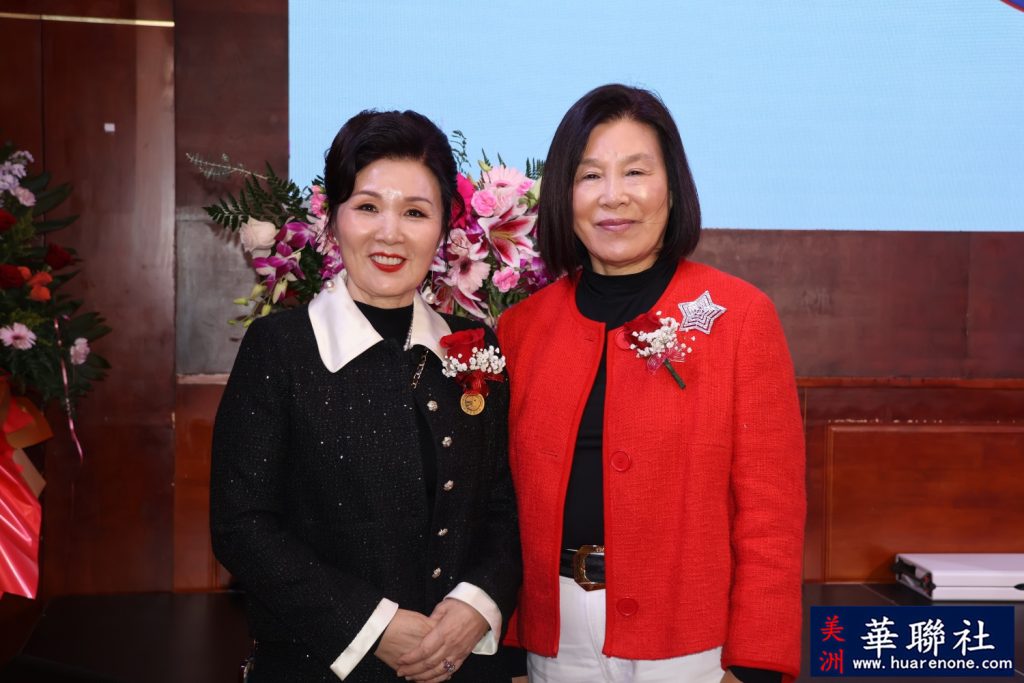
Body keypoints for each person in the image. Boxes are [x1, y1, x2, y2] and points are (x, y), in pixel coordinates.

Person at [497, 84, 805, 683]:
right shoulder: (521, 329)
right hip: (552, 641)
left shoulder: (739, 317)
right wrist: (510, 647)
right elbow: (502, 506)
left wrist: (756, 665)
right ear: (563, 194)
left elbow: (771, 512)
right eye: (590, 175)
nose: (613, 196)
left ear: (673, 188)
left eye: (636, 172)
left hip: (692, 641)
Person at [211, 110, 521, 683]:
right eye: (368, 207)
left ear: (444, 229)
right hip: (318, 667)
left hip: (459, 664)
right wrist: (371, 626)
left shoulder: (473, 346)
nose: (390, 233)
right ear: (334, 220)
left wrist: (476, 605)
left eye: (415, 212)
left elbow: (504, 505)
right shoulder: (280, 348)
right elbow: (242, 525)